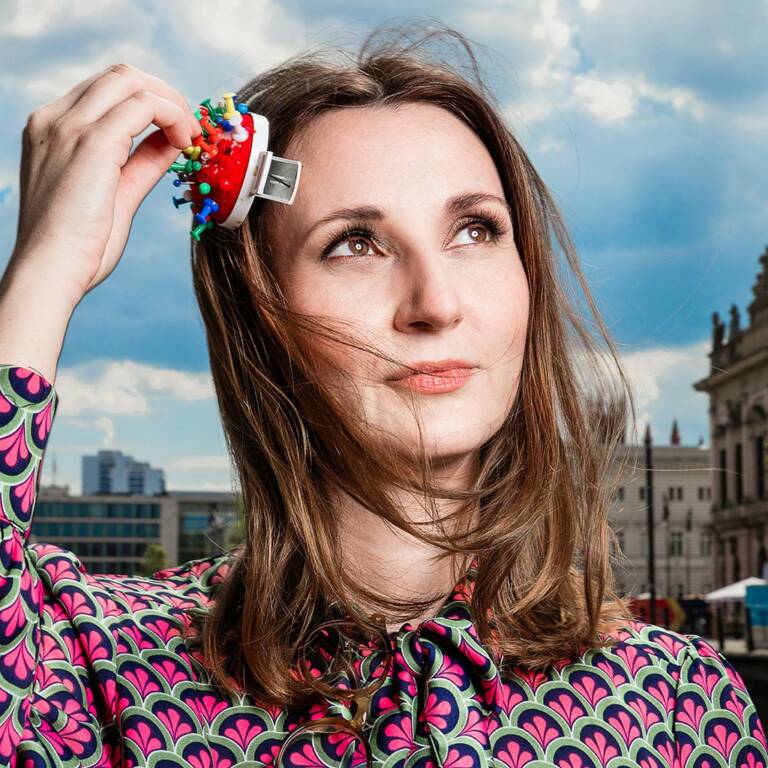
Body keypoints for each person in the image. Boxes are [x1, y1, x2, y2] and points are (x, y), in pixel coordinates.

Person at [0, 22, 765, 768]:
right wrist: (43, 277)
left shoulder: (676, 705)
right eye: (354, 244)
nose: (436, 302)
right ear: (258, 318)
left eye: (475, 230)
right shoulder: (96, 668)